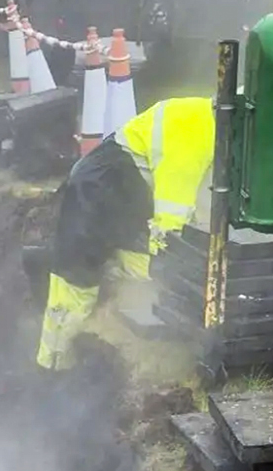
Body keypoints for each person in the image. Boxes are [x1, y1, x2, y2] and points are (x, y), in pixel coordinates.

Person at [36, 97, 216, 371]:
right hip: (95, 192)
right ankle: (56, 364)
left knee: (139, 267)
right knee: (75, 281)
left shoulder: (206, 116)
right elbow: (170, 224)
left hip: (128, 196)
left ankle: (115, 330)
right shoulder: (194, 135)